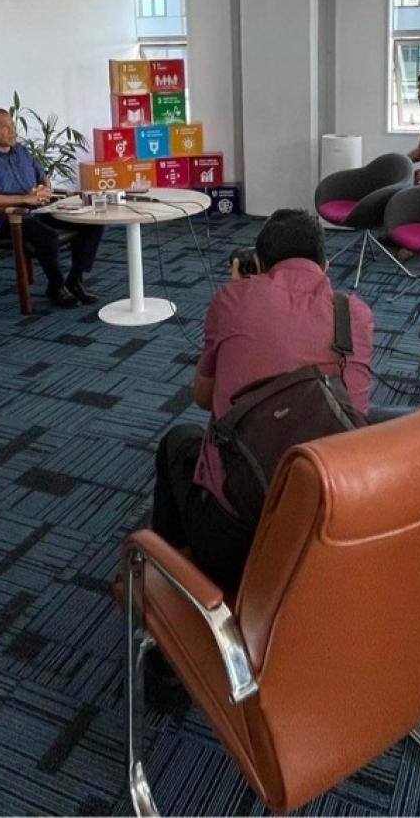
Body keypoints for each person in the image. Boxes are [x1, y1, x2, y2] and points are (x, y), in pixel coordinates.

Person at [151, 209, 374, 589]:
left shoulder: (231, 300)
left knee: (176, 442)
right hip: (327, 528)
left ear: (257, 262)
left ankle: (172, 582)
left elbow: (203, 398)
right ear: (326, 265)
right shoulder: (353, 313)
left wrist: (239, 289)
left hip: (236, 540)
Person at [0, 107, 101, 308]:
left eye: (12, 125)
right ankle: (56, 287)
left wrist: (45, 189)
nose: (12, 131)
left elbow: (43, 179)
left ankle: (75, 280)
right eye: (4, 127)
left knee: (92, 222)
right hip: (8, 220)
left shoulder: (21, 151)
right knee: (47, 236)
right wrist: (24, 199)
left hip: (39, 210)